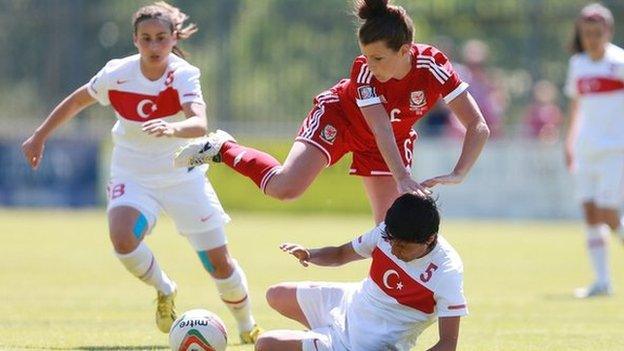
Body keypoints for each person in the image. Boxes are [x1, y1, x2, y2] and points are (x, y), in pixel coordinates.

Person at [21, 1, 261, 341]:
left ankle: (247, 326)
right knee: (122, 240)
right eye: (145, 38)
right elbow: (77, 101)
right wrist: (39, 136)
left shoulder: (183, 75)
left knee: (218, 263)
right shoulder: (117, 73)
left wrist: (172, 129)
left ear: (173, 38)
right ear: (135, 40)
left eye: (161, 38)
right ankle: (165, 289)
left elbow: (199, 122)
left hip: (182, 175)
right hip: (132, 172)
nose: (153, 46)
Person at [175, 0, 490, 224]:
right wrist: (403, 176)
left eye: (378, 58)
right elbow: (379, 127)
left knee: (389, 230)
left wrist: (459, 172)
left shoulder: (432, 66)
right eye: (366, 55)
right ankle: (222, 148)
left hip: (389, 139)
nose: (369, 65)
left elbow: (477, 125)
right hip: (340, 119)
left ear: (405, 50)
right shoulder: (364, 74)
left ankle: (379, 307)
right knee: (286, 188)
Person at [254, 194, 467, 351]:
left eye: (402, 246)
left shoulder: (446, 272)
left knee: (265, 344)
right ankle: (317, 338)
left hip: (360, 343)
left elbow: (448, 343)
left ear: (429, 239)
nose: (393, 249)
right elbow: (339, 254)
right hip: (347, 302)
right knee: (276, 294)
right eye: (392, 240)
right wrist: (309, 253)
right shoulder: (388, 233)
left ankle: (321, 342)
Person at [564, 3, 624, 298]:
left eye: (597, 33)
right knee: (590, 212)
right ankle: (602, 282)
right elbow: (575, 107)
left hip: (616, 150)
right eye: (587, 33)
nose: (592, 38)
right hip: (586, 150)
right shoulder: (578, 64)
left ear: (608, 32)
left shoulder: (620, 63)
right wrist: (569, 143)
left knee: (608, 213)